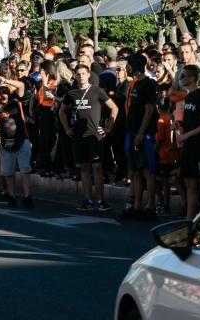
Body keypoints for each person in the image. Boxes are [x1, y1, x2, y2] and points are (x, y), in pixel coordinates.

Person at [59, 63, 118, 212]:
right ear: (74, 75)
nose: (81, 76)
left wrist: (108, 127)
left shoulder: (96, 91)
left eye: (83, 73)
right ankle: (88, 200)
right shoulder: (71, 93)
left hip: (94, 134)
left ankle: (101, 200)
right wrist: (66, 128)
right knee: (84, 167)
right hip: (78, 136)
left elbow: (114, 108)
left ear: (89, 74)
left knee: (97, 167)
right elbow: (61, 112)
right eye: (78, 74)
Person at [121, 53, 158, 222]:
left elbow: (149, 111)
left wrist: (142, 133)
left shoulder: (148, 84)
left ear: (135, 66)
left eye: (128, 65)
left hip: (144, 134)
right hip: (132, 132)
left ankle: (150, 207)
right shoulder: (135, 83)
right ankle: (137, 206)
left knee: (147, 171)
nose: (126, 68)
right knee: (135, 171)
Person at [176, 65, 200, 218]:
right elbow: (193, 120)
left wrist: (187, 135)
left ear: (192, 78)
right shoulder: (188, 96)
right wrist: (180, 123)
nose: (180, 79)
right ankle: (190, 219)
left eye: (183, 76)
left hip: (199, 145)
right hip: (189, 145)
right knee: (189, 183)